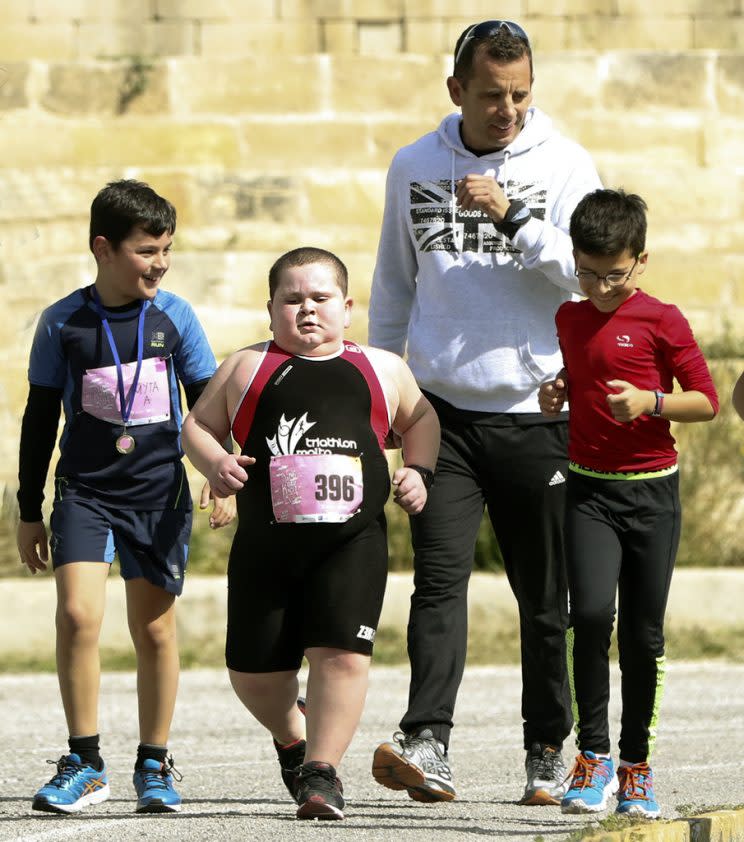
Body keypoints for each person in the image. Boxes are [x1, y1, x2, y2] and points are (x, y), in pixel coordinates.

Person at [368, 19, 602, 805]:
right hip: (440, 416)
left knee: (544, 595)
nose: (508, 110)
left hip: (537, 409)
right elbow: (394, 286)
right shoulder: (414, 164)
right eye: (493, 95)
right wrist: (384, 397)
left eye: (521, 94)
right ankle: (426, 740)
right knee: (437, 581)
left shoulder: (567, 164)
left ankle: (546, 751)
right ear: (456, 90)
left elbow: (588, 275)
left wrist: (515, 217)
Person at [181, 246, 440, 821]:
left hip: (352, 542)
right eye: (291, 300)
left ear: (347, 308)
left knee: (343, 657)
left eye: (320, 299)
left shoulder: (379, 367)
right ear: (270, 309)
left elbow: (421, 419)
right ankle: (295, 736)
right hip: (267, 548)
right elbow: (197, 424)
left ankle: (322, 774)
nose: (306, 310)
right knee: (253, 674)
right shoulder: (247, 367)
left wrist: (418, 471)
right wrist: (213, 463)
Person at [16, 179, 234, 815]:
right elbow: (37, 421)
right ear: (103, 249)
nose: (160, 263)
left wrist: (219, 473)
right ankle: (84, 761)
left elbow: (210, 407)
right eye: (146, 251)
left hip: (157, 493)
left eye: (167, 249)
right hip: (84, 491)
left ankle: (155, 760)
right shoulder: (63, 321)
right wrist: (29, 509)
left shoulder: (176, 318)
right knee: (78, 616)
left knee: (154, 630)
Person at [538, 188, 718, 818]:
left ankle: (637, 768)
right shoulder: (569, 316)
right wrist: (557, 390)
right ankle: (592, 760)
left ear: (641, 261)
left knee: (643, 637)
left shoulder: (662, 319)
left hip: (652, 493)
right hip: (588, 489)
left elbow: (707, 400)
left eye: (613, 275)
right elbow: (576, 373)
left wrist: (652, 402)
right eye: (587, 273)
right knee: (587, 617)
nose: (600, 288)